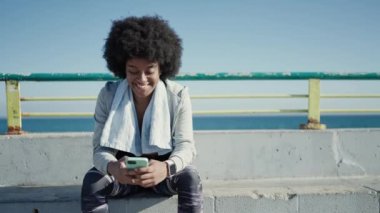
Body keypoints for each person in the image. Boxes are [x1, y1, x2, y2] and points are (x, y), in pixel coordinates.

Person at [81, 16, 203, 213]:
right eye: (133, 71)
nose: (142, 79)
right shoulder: (108, 95)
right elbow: (99, 150)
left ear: (162, 67)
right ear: (122, 68)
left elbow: (186, 147)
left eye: (149, 70)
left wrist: (165, 169)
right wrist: (114, 168)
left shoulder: (179, 95)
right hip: (122, 179)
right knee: (93, 181)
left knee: (190, 177)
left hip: (162, 177)